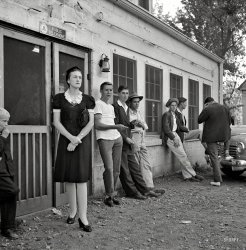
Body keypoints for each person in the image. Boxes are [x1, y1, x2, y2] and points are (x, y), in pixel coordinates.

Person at [53, 66, 95, 232]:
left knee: (81, 179)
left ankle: (83, 218)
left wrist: (77, 140)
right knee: (69, 178)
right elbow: (56, 122)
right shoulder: (58, 99)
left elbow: (91, 123)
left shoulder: (88, 99)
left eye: (80, 77)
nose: (78, 79)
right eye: (75, 77)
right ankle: (72, 212)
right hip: (65, 141)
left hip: (82, 142)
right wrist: (70, 139)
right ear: (68, 80)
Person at [113, 86, 160, 199]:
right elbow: (117, 125)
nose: (125, 95)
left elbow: (136, 125)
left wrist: (137, 124)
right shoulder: (117, 107)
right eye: (123, 93)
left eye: (126, 93)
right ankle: (132, 192)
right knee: (126, 169)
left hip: (134, 139)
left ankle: (145, 189)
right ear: (118, 94)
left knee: (137, 167)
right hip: (125, 140)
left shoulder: (126, 108)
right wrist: (126, 137)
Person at [94, 82, 127, 207]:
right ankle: (109, 195)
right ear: (101, 91)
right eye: (106, 90)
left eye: (110, 90)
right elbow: (97, 125)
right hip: (104, 139)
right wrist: (115, 126)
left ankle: (111, 195)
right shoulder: (98, 104)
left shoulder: (111, 107)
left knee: (116, 170)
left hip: (117, 138)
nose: (108, 92)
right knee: (109, 168)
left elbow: (112, 123)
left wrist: (120, 132)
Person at [127, 93, 165, 194]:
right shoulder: (127, 113)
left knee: (146, 163)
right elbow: (126, 128)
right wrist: (134, 125)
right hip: (134, 139)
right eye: (134, 102)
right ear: (130, 103)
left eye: (138, 102)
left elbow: (145, 126)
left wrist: (140, 124)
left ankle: (149, 187)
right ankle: (140, 189)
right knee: (135, 166)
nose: (136, 104)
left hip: (142, 139)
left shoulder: (138, 112)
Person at [161, 98, 204, 182]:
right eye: (172, 105)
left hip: (176, 135)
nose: (174, 107)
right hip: (170, 137)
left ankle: (188, 176)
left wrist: (186, 129)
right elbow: (166, 129)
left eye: (175, 105)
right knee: (183, 156)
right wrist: (173, 138)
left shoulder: (175, 115)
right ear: (169, 106)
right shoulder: (166, 114)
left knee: (183, 156)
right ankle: (194, 174)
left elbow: (178, 127)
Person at [198, 97, 231, 187]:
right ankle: (226, 153)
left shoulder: (208, 108)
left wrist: (204, 110)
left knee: (214, 157)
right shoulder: (225, 108)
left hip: (211, 137)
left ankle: (217, 180)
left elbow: (199, 120)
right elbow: (230, 122)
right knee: (217, 156)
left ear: (207, 103)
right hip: (224, 136)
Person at [0, 108, 20, 239]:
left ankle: (8, 226)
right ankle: (7, 225)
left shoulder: (2, 132)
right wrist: (3, 137)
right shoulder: (3, 135)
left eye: (7, 121)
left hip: (6, 169)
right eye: (4, 121)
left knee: (11, 196)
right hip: (1, 172)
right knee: (12, 190)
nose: (6, 124)